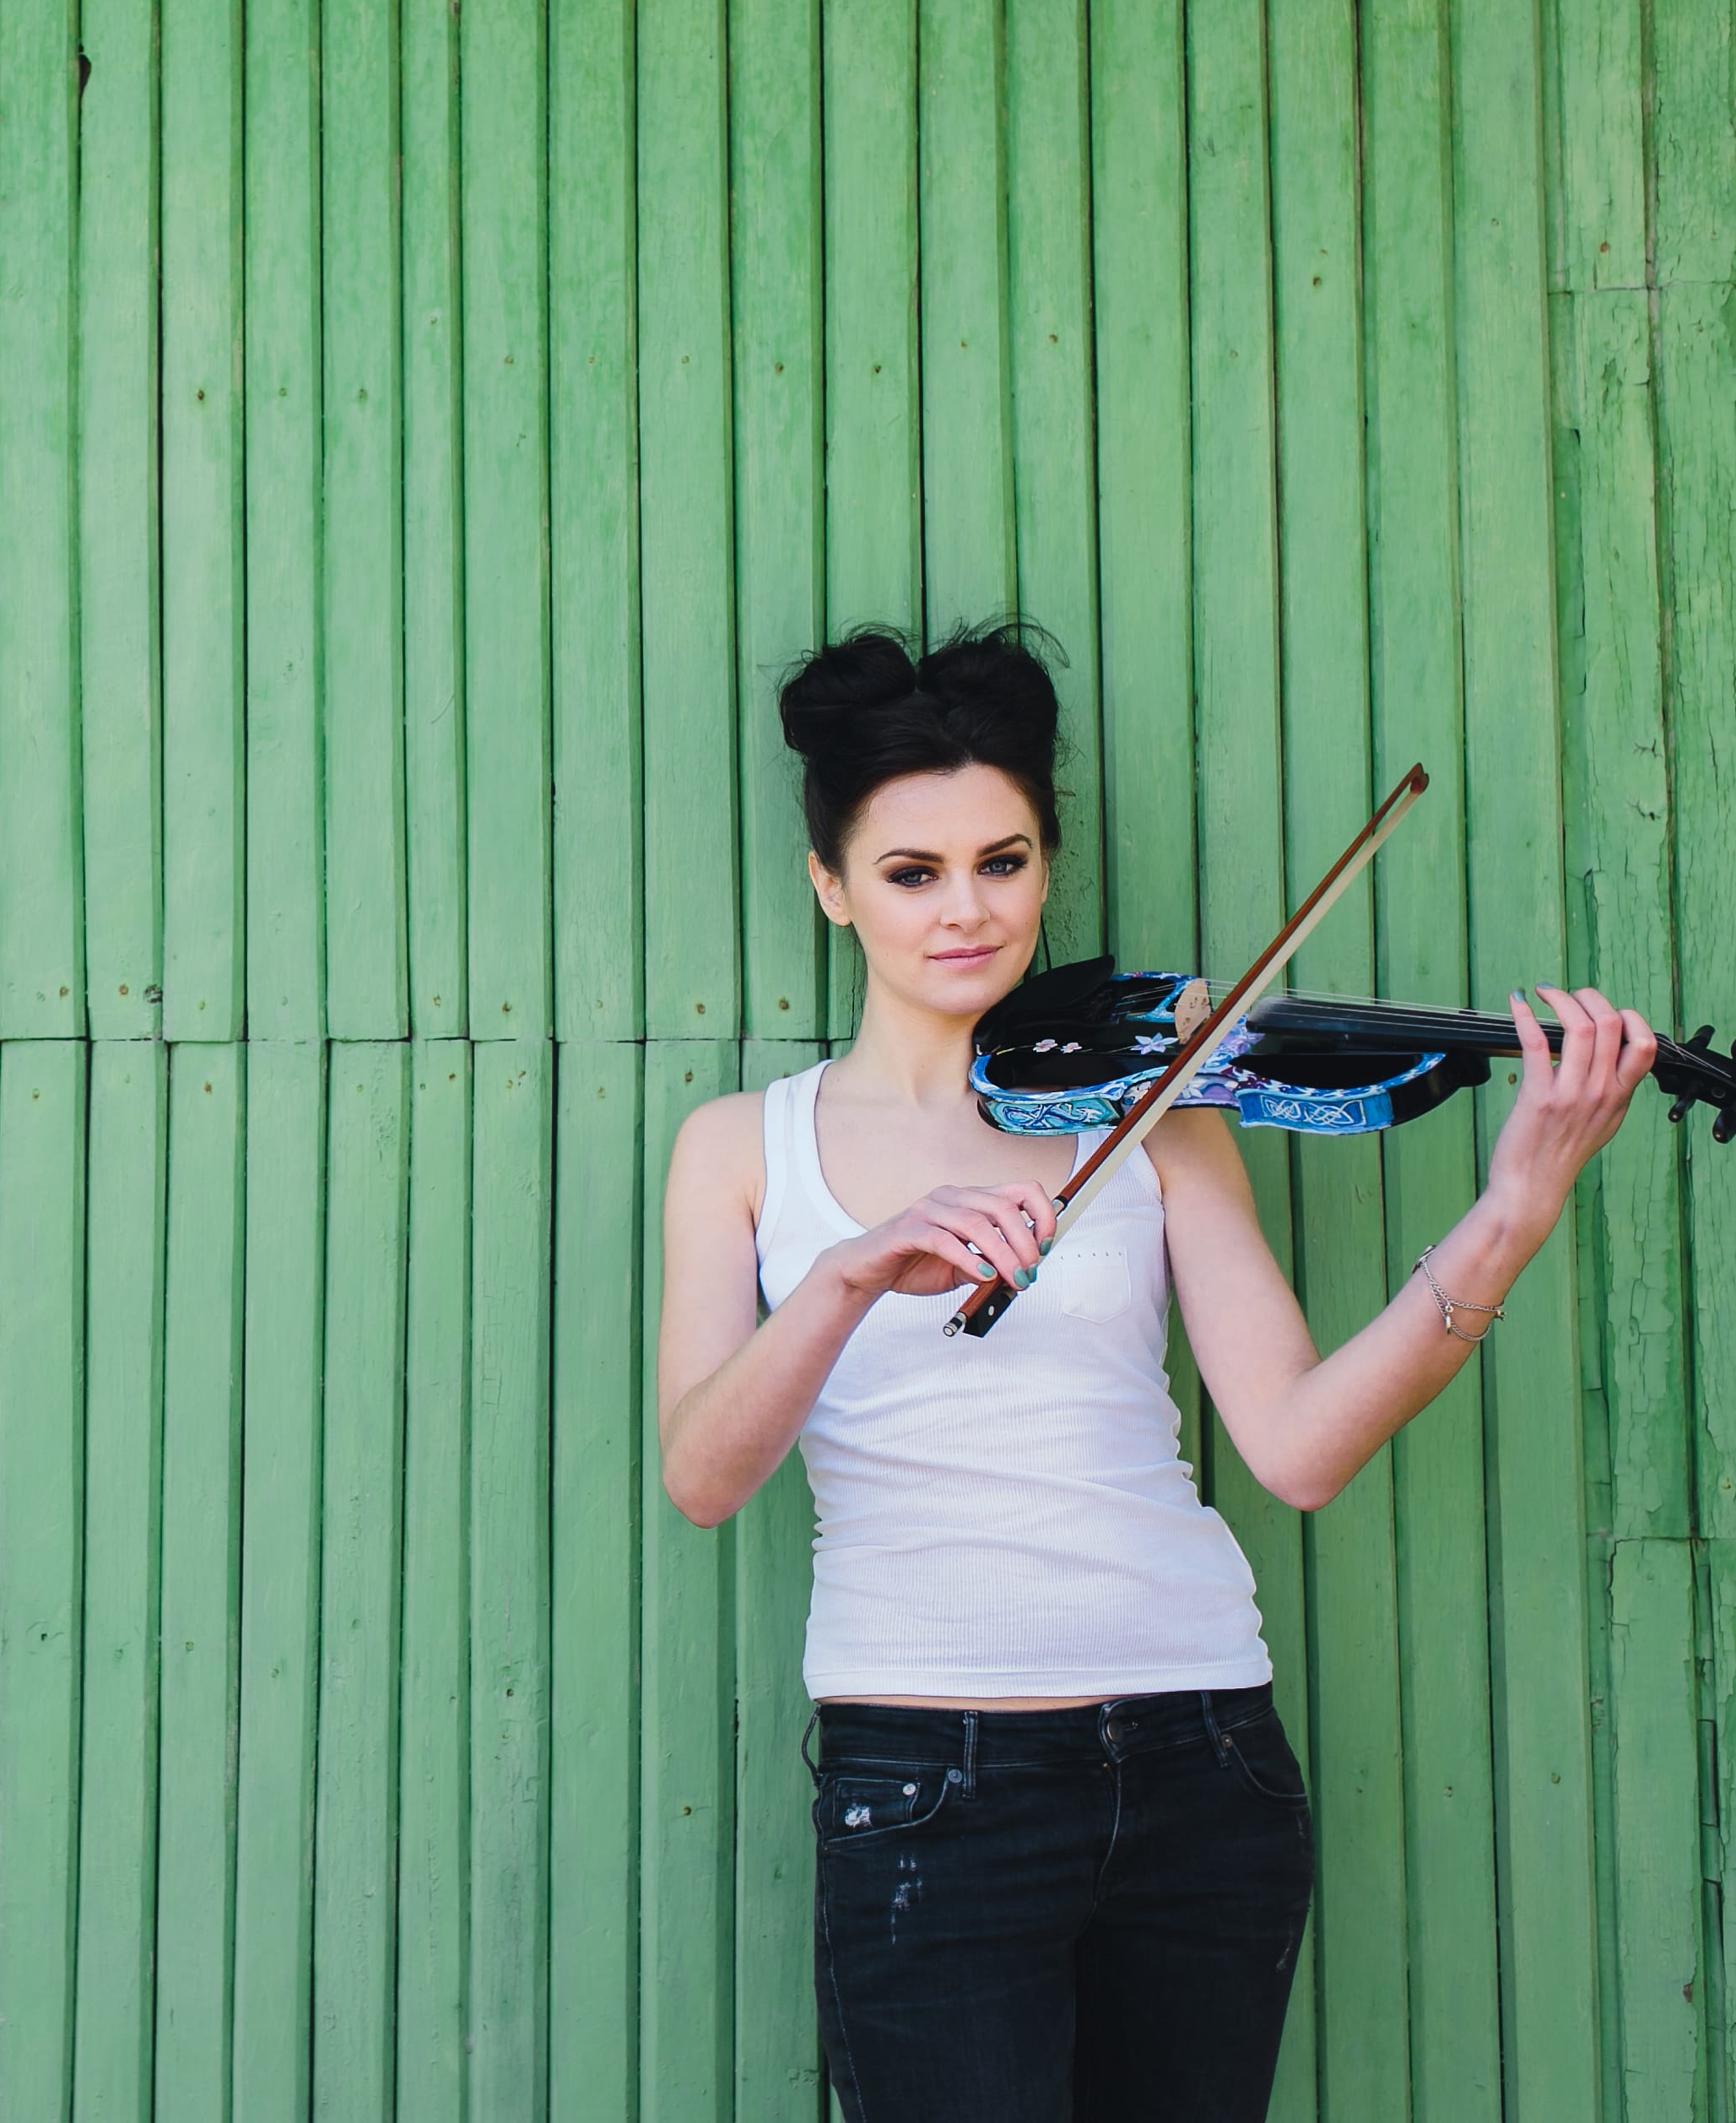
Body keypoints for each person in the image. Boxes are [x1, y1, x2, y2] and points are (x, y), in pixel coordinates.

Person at [652, 620, 1658, 2122]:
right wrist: (854, 1272)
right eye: (912, 874)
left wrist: (1513, 1211)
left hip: (1203, 1755)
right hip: (928, 1781)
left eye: (1003, 862)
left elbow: (1299, 1447)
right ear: (832, 887)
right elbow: (702, 1475)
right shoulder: (743, 1146)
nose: (966, 911)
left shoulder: (1157, 1110)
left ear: (1045, 865)